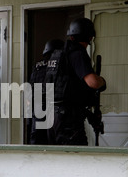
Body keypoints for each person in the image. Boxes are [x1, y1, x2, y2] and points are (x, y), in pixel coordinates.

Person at [45, 18, 106, 146]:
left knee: (57, 158)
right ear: (89, 37)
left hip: (52, 116)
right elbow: (92, 82)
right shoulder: (77, 53)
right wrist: (102, 82)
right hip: (67, 119)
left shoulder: (58, 54)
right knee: (77, 157)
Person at [29, 39, 64, 145]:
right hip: (55, 110)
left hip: (38, 110)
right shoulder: (59, 65)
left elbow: (30, 91)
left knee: (37, 143)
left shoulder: (37, 67)